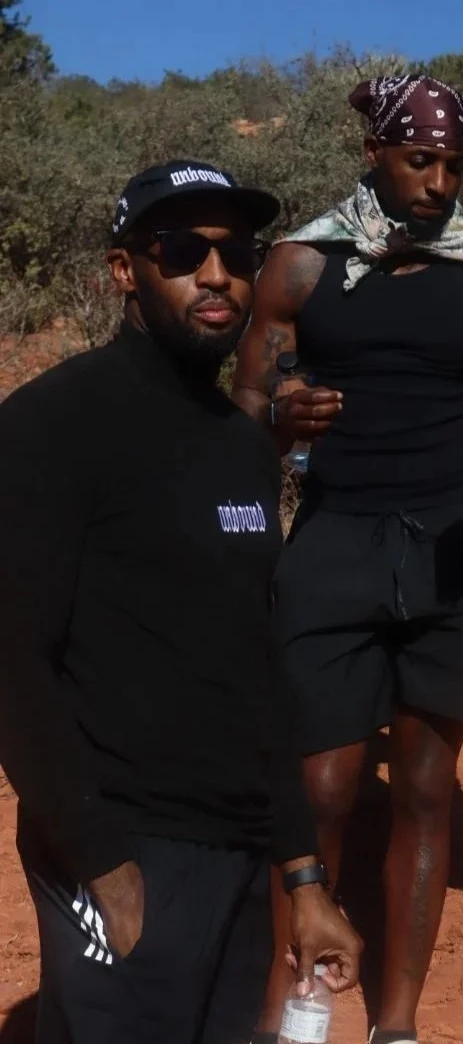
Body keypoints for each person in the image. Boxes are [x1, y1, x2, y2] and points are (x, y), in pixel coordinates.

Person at [232, 75, 463, 1044]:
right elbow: (244, 416)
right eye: (420, 160)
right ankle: (289, 1012)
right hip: (336, 541)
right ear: (375, 154)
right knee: (321, 788)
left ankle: (397, 1025)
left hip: (452, 551)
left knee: (426, 789)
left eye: (454, 166)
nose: (439, 183)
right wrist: (279, 417)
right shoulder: (301, 268)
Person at [0, 160, 361, 1044]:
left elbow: (257, 674)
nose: (216, 274)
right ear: (125, 269)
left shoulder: (242, 446)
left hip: (237, 858)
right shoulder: (55, 422)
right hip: (122, 846)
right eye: (182, 251)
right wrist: (100, 863)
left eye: (237, 253)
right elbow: (12, 655)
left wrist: (303, 877)